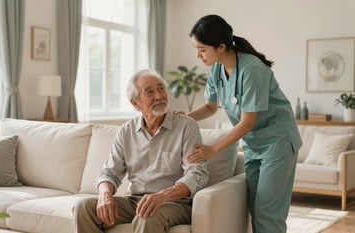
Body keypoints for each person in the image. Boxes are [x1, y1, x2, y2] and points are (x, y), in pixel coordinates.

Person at [181, 15, 302, 233]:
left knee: (268, 212)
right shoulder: (216, 70)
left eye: (202, 49)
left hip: (278, 142)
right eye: (195, 49)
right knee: (255, 207)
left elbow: (247, 123)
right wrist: (184, 117)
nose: (198, 55)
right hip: (254, 145)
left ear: (220, 46)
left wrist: (212, 149)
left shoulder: (251, 69)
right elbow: (210, 107)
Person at [73, 69, 209, 233]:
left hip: (174, 203)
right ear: (135, 103)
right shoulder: (126, 130)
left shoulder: (186, 126)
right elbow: (109, 172)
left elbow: (197, 173)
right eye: (149, 92)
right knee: (84, 208)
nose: (159, 96)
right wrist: (104, 195)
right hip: (134, 201)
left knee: (147, 215)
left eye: (161, 89)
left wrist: (162, 196)